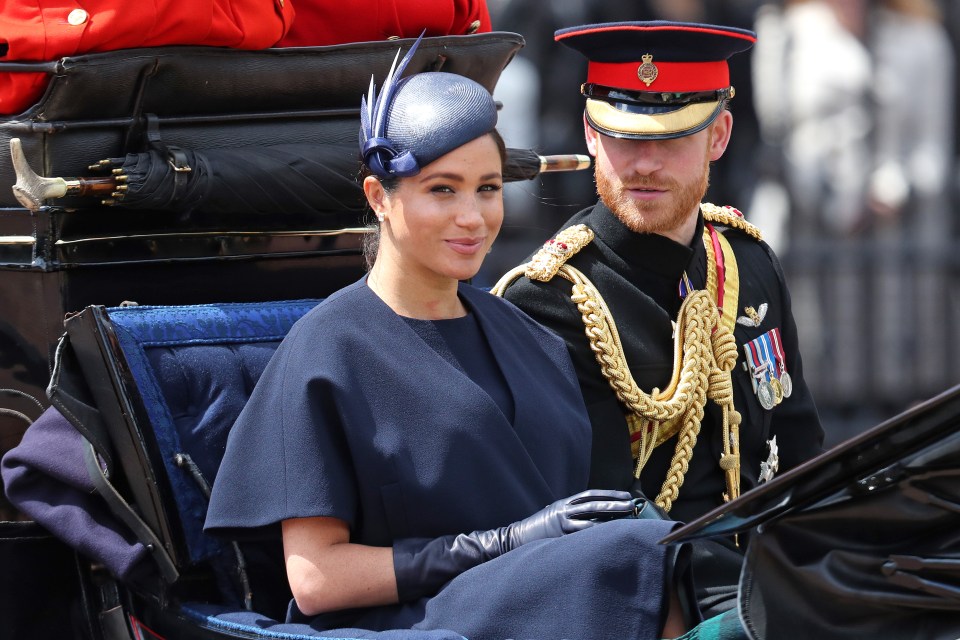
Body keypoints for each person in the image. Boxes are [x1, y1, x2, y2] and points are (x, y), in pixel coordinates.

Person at [202, 36, 717, 640]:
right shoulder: (328, 348)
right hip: (418, 620)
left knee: (696, 554)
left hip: (557, 594)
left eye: (489, 189)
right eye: (442, 189)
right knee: (635, 556)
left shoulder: (527, 335)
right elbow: (316, 580)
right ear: (380, 197)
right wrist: (496, 544)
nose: (472, 217)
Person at [495, 21, 825, 618]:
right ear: (591, 134)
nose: (644, 164)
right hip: (656, 602)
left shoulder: (746, 260)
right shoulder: (550, 300)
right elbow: (610, 516)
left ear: (719, 136)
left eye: (672, 139)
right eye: (623, 136)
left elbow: (800, 447)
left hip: (772, 577)